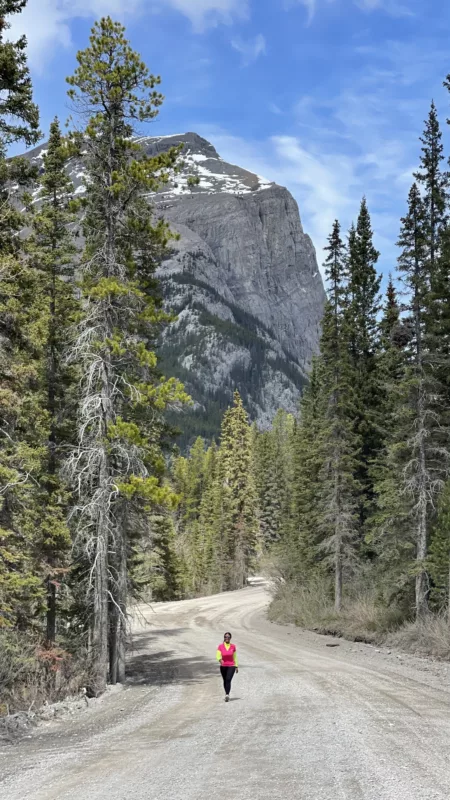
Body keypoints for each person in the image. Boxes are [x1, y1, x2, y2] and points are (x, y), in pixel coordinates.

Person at [216, 631, 238, 702]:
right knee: (225, 680)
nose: (227, 638)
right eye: (225, 637)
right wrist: (219, 659)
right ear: (224, 638)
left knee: (228, 679)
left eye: (228, 637)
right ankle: (226, 693)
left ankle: (227, 694)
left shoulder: (233, 646)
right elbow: (218, 654)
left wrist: (236, 666)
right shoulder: (220, 646)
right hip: (223, 666)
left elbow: (235, 657)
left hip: (231, 665)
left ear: (230, 638)